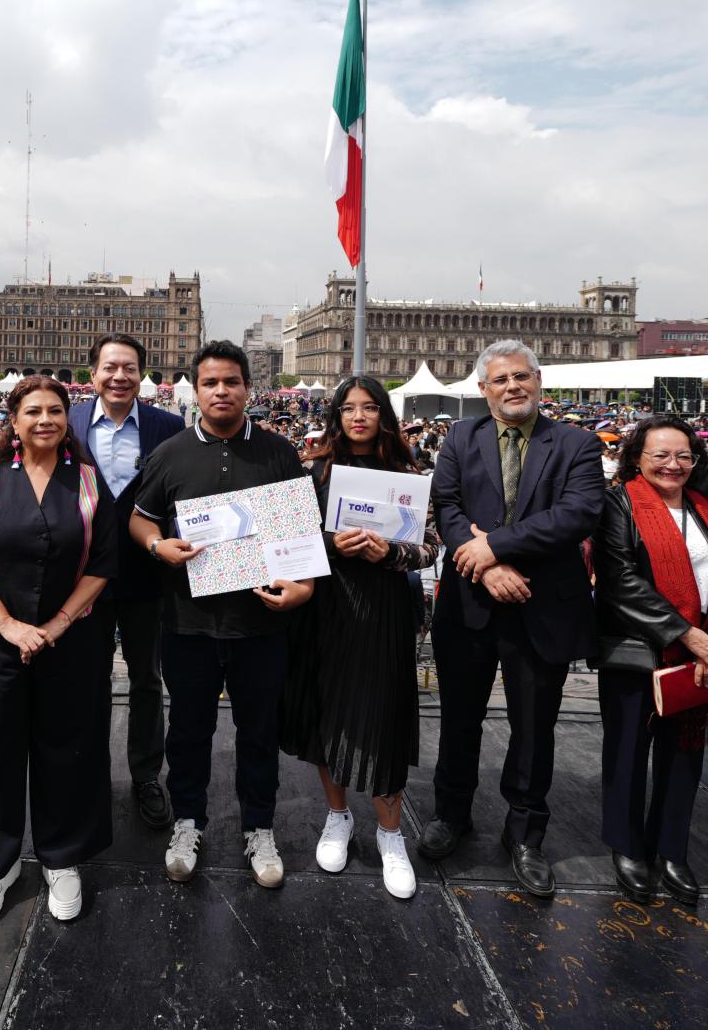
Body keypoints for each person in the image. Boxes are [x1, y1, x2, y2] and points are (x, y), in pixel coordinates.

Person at [421, 340, 604, 897]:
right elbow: (446, 507)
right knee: (458, 720)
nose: (512, 388)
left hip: (540, 603)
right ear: (483, 389)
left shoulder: (575, 442)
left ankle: (524, 834)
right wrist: (486, 568)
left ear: (539, 380)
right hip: (472, 604)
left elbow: (576, 514)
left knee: (534, 727)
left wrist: (494, 547)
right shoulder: (460, 437)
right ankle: (452, 815)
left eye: (521, 377)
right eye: (500, 380)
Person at [129, 340, 314, 889]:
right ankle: (188, 820)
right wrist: (157, 545)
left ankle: (259, 826)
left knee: (259, 730)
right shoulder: (171, 453)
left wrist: (302, 588)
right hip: (188, 623)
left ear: (247, 389)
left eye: (231, 382)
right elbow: (141, 519)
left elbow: (300, 533)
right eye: (210, 383)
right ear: (197, 389)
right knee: (189, 730)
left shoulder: (278, 452)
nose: (221, 391)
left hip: (260, 622)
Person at [0, 376, 117, 924]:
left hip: (72, 639)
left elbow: (103, 563)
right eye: (34, 411)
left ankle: (61, 856)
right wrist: (11, 626)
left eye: (56, 411)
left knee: (67, 746)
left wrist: (60, 623)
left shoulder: (88, 481)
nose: (46, 419)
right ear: (13, 422)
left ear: (69, 420)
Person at [280, 376, 438, 899]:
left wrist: (388, 553)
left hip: (385, 610)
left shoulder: (408, 472)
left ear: (384, 416)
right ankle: (338, 816)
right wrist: (331, 542)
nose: (359, 417)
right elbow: (291, 539)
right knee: (329, 715)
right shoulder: (316, 472)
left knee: (385, 716)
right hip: (327, 608)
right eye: (349, 409)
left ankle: (391, 835)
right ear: (337, 416)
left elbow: (431, 547)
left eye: (370, 408)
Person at [68, 334, 184, 829]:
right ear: (92, 374)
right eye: (110, 367)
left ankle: (145, 775)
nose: (120, 376)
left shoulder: (169, 427)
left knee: (146, 680)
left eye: (130, 368)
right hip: (79, 578)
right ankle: (86, 773)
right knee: (84, 680)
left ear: (143, 374)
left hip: (147, 577)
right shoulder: (65, 422)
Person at [593, 415, 708, 906]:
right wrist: (688, 634)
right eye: (660, 455)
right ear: (637, 458)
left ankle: (670, 851)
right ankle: (628, 847)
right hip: (640, 651)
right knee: (627, 750)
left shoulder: (704, 507)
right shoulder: (620, 503)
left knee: (684, 755)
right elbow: (619, 580)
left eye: (683, 455)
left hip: (699, 652)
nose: (672, 464)